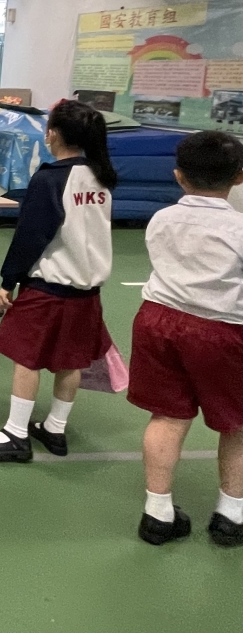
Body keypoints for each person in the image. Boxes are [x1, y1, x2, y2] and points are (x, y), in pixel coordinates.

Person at [0, 101, 116, 462]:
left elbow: (31, 236)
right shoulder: (101, 177)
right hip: (87, 291)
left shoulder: (50, 178)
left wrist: (8, 281)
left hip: (50, 287)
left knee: (28, 359)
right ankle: (55, 427)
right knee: (71, 362)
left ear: (53, 134)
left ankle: (16, 433)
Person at [127, 131, 243, 547]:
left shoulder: (161, 219)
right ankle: (231, 516)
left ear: (178, 175)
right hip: (223, 328)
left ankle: (157, 514)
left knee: (167, 415)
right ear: (240, 176)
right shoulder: (238, 227)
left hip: (158, 320)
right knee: (238, 423)